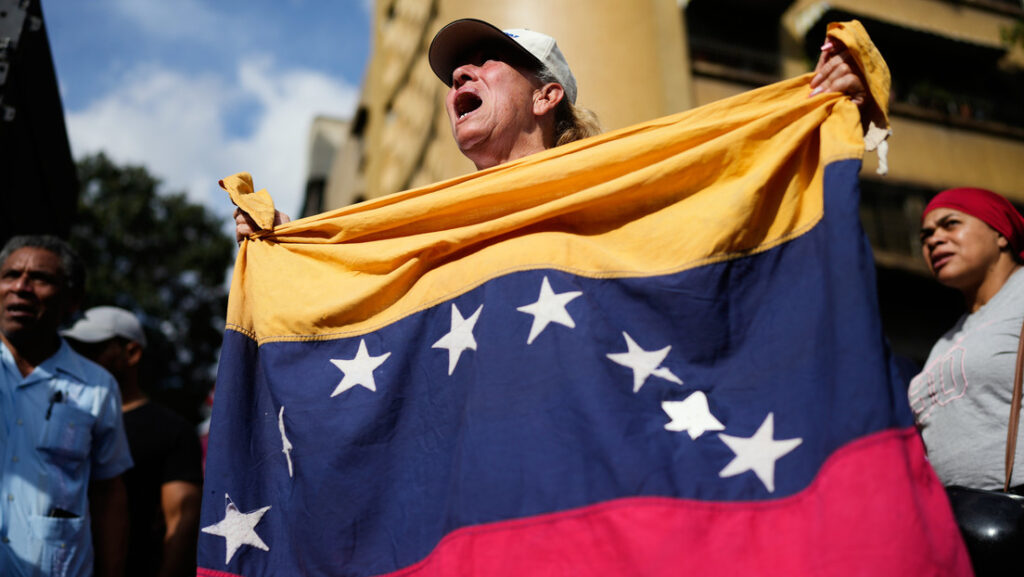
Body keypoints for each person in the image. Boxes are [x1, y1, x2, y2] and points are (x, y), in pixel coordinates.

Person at [234, 18, 866, 238]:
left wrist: (819, 110)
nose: (460, 76)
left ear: (547, 95)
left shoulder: (621, 187)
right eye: (454, 73)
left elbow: (736, 201)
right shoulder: (433, 224)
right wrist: (297, 246)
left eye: (487, 61)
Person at [0, 235, 132, 577]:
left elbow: (108, 493)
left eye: (40, 279)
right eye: (10, 275)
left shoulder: (97, 386)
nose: (20, 288)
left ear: (72, 301)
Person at [64, 306, 204, 577]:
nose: (78, 359)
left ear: (132, 353)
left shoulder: (172, 431)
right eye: (73, 349)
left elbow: (183, 522)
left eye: (92, 349)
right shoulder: (63, 420)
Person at [910, 187, 1024, 490]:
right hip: (955, 513)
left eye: (950, 224)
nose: (934, 239)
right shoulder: (947, 340)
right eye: (926, 235)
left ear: (1000, 234)